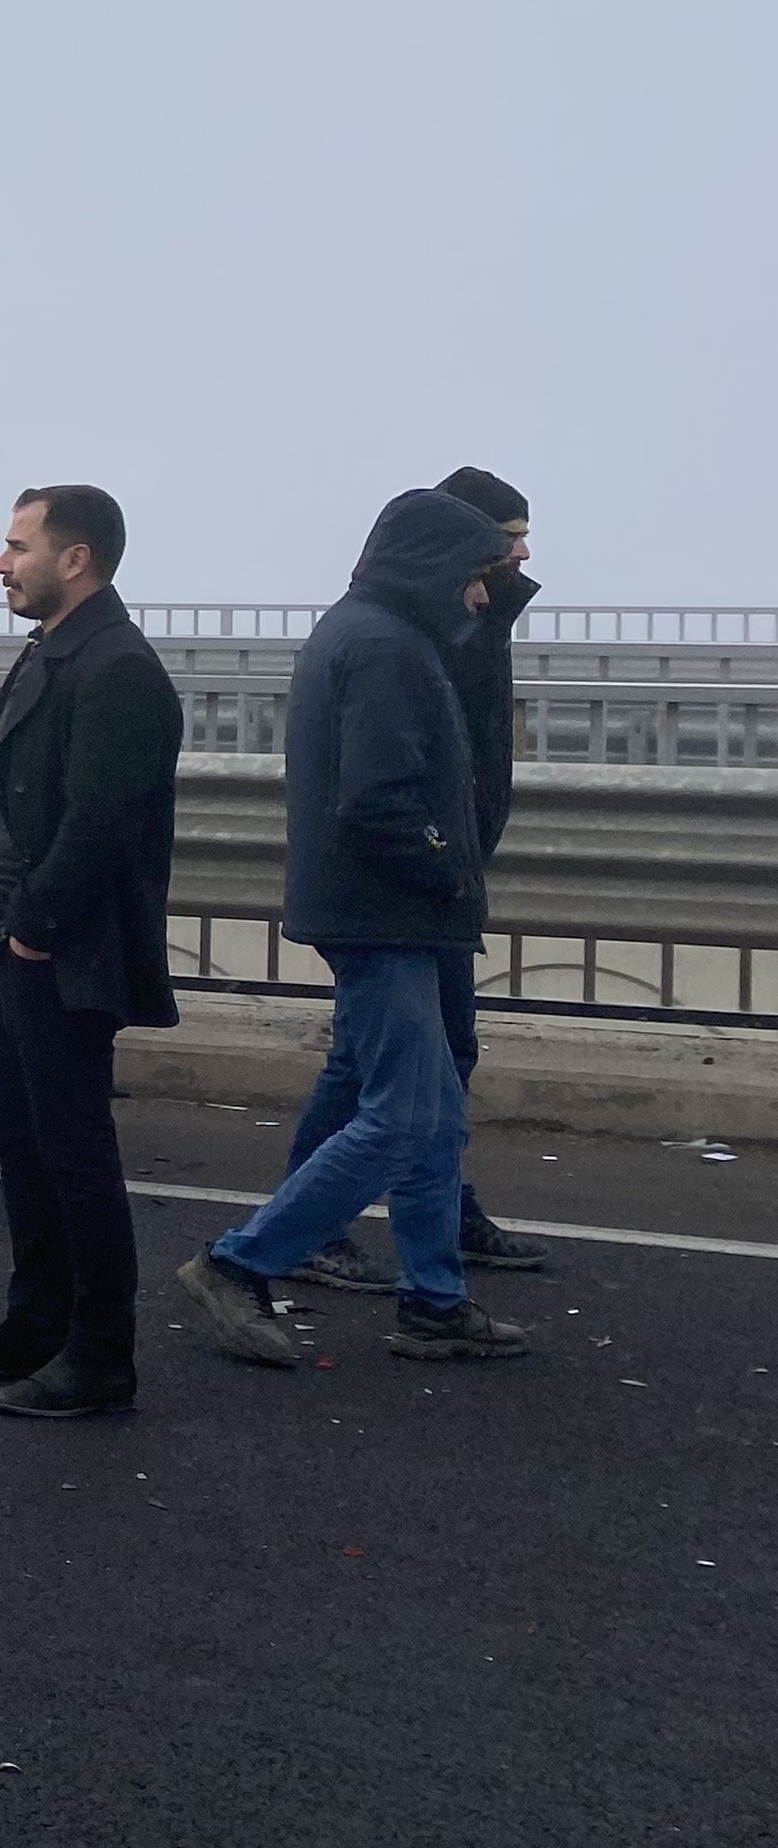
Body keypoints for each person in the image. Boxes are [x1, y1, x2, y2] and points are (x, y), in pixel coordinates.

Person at [177, 488, 531, 1365]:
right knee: (406, 1114)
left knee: (437, 1113)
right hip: (388, 915)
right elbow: (377, 801)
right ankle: (238, 1262)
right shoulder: (383, 647)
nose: (483, 596)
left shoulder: (381, 631)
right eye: (477, 578)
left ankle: (436, 1301)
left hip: (396, 912)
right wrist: (447, 867)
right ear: (435, 570)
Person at [0, 487, 181, 1418]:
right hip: (13, 935)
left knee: (73, 1152)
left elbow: (102, 823)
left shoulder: (116, 669)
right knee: (21, 1140)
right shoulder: (57, 650)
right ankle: (34, 1325)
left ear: (75, 560)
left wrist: (35, 926)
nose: (1, 563)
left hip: (60, 948)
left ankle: (101, 1355)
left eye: (17, 545)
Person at [286, 465, 551, 1292]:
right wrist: (444, 857)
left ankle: (432, 1260)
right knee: (397, 1082)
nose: (521, 557)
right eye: (506, 544)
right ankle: (284, 1240)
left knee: (425, 1070)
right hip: (405, 890)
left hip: (430, 881)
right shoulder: (410, 633)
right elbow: (382, 788)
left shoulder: (461, 618)